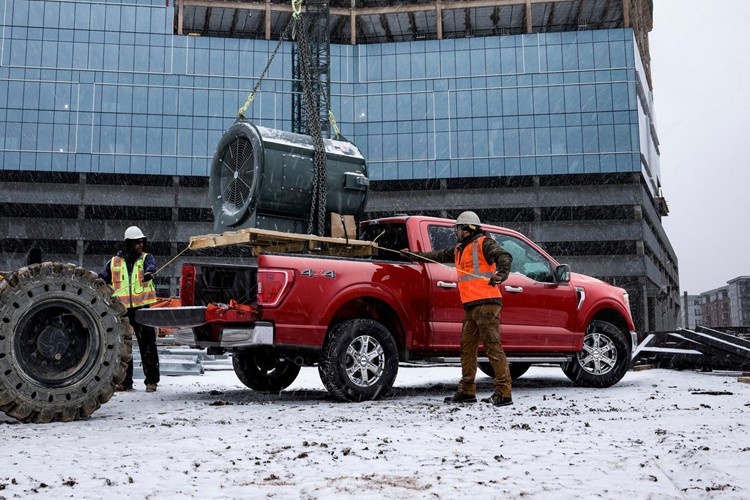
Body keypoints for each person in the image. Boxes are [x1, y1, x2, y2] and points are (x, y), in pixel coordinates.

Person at [404, 211, 514, 406]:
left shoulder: (484, 243)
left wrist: (501, 274)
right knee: (467, 348)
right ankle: (467, 391)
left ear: (468, 229)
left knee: (492, 347)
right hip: (472, 306)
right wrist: (413, 255)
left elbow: (503, 256)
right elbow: (436, 255)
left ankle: (504, 393)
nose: (456, 232)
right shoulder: (459, 249)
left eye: (458, 229)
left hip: (487, 303)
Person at [99, 226, 160, 392]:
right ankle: (126, 382)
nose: (140, 245)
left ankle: (151, 381)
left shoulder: (147, 258)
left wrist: (149, 273)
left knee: (148, 344)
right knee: (124, 347)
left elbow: (152, 266)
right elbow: (101, 279)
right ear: (128, 243)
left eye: (142, 242)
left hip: (142, 308)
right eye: (137, 242)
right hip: (122, 310)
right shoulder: (113, 262)